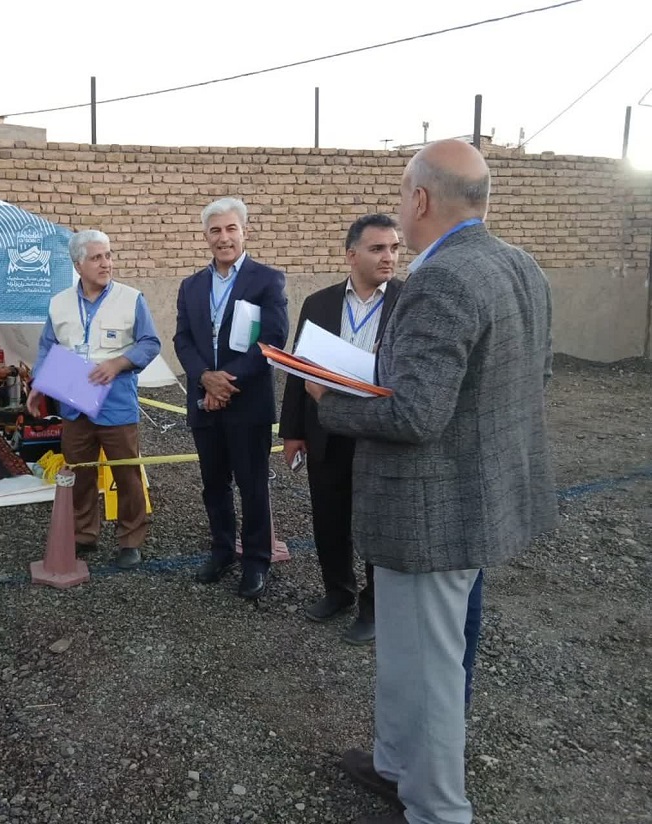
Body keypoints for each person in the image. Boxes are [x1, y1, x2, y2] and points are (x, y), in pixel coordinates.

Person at [305, 140, 557, 824]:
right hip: (475, 498)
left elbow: (415, 414)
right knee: (408, 655)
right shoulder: (521, 264)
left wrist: (330, 399)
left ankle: (438, 809)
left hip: (431, 513)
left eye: (400, 194)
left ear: (419, 199)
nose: (398, 207)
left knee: (430, 669)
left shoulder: (441, 280)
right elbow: (525, 377)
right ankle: (394, 765)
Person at [279, 213, 402, 645]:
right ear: (351, 255)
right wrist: (292, 432)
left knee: (375, 525)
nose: (389, 257)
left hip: (378, 433)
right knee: (329, 518)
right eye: (377, 248)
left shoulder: (408, 302)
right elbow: (299, 371)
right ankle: (338, 591)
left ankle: (374, 607)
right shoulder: (319, 303)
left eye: (394, 248)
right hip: (326, 430)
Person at [174, 197, 289, 600]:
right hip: (204, 401)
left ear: (245, 232)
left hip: (247, 402)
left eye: (230, 229)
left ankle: (256, 560)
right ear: (205, 236)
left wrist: (225, 383)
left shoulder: (267, 281)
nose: (223, 238)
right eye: (215, 230)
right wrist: (205, 379)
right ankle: (221, 550)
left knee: (252, 485)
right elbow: (182, 340)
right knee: (214, 484)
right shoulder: (191, 286)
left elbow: (273, 340)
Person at [27, 230, 162, 569]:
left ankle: (130, 540)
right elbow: (47, 346)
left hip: (116, 402)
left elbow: (150, 343)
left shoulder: (131, 299)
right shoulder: (59, 303)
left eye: (109, 255)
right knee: (79, 473)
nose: (106, 263)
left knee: (126, 475)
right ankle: (84, 533)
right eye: (97, 257)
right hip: (74, 402)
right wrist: (38, 383)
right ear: (78, 265)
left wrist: (119, 362)